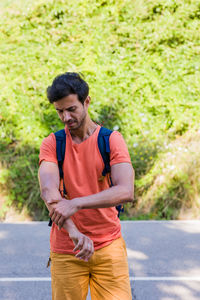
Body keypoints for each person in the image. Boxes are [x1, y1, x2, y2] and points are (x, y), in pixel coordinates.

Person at [38, 72, 134, 300]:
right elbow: (48, 192)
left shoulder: (111, 140)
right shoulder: (52, 143)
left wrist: (76, 204)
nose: (65, 117)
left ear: (86, 101)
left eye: (71, 109)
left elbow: (126, 191)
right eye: (60, 111)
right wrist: (74, 233)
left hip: (108, 246)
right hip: (66, 248)